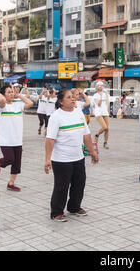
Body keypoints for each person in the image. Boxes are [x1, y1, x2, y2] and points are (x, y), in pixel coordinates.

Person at [45, 89, 99, 222]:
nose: (73, 99)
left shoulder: (78, 113)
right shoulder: (56, 116)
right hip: (61, 159)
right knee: (62, 186)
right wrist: (47, 159)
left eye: (73, 97)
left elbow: (86, 135)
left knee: (79, 183)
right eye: (69, 97)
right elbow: (50, 139)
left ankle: (74, 207)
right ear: (61, 102)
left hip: (78, 156)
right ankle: (56, 212)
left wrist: (92, 151)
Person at [0, 85, 33, 191]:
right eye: (8, 92)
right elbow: (1, 99)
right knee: (9, 159)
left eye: (12, 92)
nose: (11, 94)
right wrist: (0, 93)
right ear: (3, 94)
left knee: (16, 162)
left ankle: (11, 183)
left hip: (17, 138)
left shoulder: (17, 105)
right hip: (5, 138)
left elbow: (30, 103)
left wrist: (18, 95)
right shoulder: (0, 105)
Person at [93, 82, 110, 149]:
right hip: (98, 113)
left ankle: (105, 143)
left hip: (105, 112)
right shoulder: (95, 95)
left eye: (102, 86)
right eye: (99, 86)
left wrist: (106, 96)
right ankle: (97, 135)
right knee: (104, 127)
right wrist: (100, 96)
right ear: (97, 87)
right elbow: (98, 104)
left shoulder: (106, 94)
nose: (101, 87)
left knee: (107, 129)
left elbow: (107, 103)